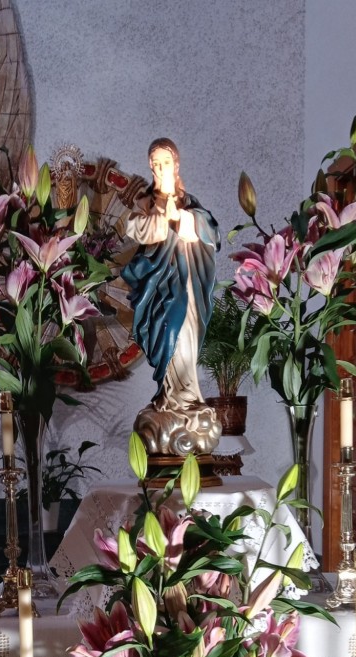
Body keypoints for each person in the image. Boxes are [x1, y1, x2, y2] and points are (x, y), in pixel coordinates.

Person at [122, 139, 220, 451]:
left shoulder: (190, 203)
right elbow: (135, 228)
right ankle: (169, 395)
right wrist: (163, 215)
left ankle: (187, 398)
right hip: (159, 288)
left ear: (176, 165)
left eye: (165, 162)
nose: (160, 168)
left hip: (186, 285)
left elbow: (210, 232)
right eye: (155, 163)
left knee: (185, 336)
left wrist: (181, 216)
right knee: (167, 333)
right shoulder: (146, 202)